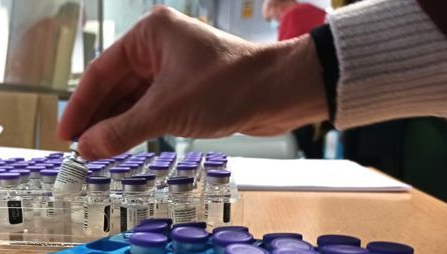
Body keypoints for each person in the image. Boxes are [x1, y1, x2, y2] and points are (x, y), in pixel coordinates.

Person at [57, 0, 447, 161]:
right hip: (354, 106)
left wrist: (264, 83)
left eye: (272, 15)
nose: (274, 20)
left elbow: (291, 61)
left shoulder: (298, 14)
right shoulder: (311, 12)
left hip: (364, 113)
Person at [262, 0, 328, 158]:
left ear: (276, 7)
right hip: (327, 98)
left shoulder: (292, 16)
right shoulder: (318, 13)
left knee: (305, 152)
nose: (276, 22)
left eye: (272, 18)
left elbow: (283, 64)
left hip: (307, 104)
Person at [262, 0, 326, 42]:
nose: (277, 23)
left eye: (274, 19)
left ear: (276, 7)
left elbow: (284, 53)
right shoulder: (312, 8)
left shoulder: (291, 17)